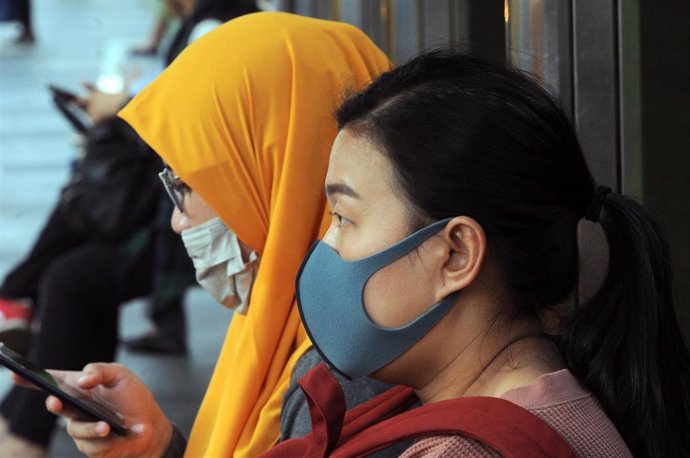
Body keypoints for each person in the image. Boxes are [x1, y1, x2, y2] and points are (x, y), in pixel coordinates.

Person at [278, 50, 690, 457]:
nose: (325, 246)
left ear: (456, 254)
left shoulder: (467, 450)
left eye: (344, 217)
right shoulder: (563, 393)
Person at [31, 12, 393, 457]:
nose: (177, 219)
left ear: (269, 179)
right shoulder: (297, 327)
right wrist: (159, 445)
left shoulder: (342, 382)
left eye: (183, 185)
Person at [0, 1, 260, 457]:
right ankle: (44, 404)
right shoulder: (214, 24)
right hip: (175, 217)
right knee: (76, 273)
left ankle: (23, 429)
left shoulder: (215, 32)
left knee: (72, 275)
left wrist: (122, 110)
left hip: (192, 225)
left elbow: (190, 131)